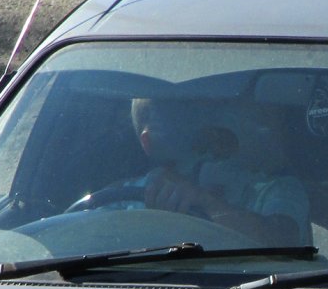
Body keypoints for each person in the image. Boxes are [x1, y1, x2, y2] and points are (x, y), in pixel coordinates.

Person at [126, 96, 310, 245]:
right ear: (148, 143)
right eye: (187, 120)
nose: (213, 131)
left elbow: (283, 244)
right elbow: (101, 242)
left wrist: (207, 203)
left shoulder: (278, 189)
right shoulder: (126, 198)